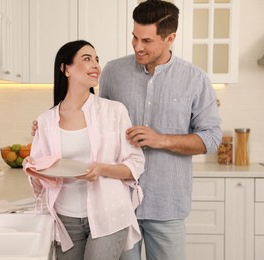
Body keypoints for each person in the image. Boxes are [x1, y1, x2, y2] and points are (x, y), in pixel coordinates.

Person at [99, 1, 222, 260]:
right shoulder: (113, 72)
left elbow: (211, 138)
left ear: (170, 38)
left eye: (147, 40)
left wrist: (161, 139)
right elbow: (97, 124)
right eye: (134, 37)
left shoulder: (195, 79)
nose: (137, 46)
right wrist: (56, 122)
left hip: (167, 205)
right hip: (119, 203)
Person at [23, 40, 145, 260]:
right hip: (65, 217)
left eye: (97, 59)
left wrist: (102, 169)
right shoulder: (46, 121)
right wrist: (33, 168)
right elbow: (41, 182)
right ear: (66, 68)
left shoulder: (114, 111)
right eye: (87, 59)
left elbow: (135, 164)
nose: (96, 65)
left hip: (109, 213)